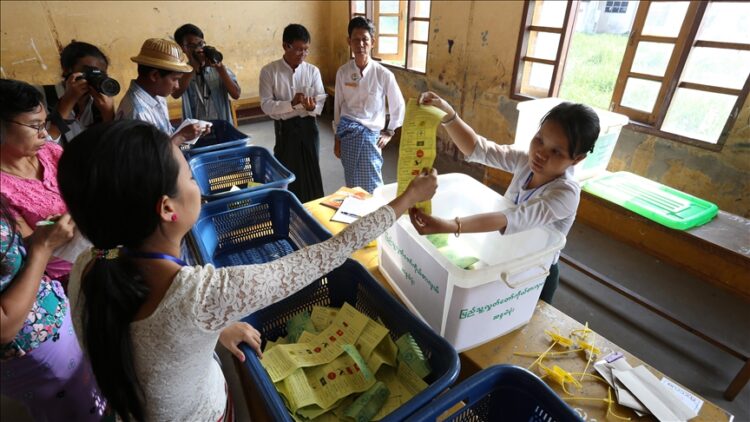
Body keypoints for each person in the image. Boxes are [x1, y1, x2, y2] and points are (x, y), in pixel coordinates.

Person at [57, 119, 437, 421]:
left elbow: (153, 340)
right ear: (167, 208)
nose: (197, 185)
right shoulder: (202, 296)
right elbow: (329, 253)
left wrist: (212, 327)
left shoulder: (91, 263)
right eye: (189, 176)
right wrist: (408, 198)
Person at [410, 92, 600, 304]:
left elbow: (511, 217)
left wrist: (450, 226)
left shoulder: (565, 194)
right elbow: (479, 149)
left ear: (577, 159)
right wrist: (448, 114)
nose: (540, 153)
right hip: (505, 256)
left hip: (535, 273)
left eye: (556, 152)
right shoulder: (525, 161)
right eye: (539, 140)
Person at [0, 197, 107, 421]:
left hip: (56, 325)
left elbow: (7, 260)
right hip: (32, 356)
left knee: (90, 392)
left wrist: (42, 238)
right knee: (77, 410)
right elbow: (4, 326)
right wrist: (42, 248)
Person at [0, 78, 76, 283]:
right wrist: (49, 234)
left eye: (44, 124)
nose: (44, 133)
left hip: (98, 252)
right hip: (61, 277)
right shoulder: (3, 190)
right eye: (35, 126)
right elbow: (26, 248)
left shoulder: (51, 153)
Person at [333, 16, 405, 194]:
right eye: (355, 40)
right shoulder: (343, 72)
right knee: (351, 182)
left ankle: (374, 217)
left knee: (373, 184)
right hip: (348, 133)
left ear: (372, 42)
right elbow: (338, 106)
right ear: (349, 41)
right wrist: (337, 137)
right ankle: (356, 217)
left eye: (364, 39)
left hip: (370, 138)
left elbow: (398, 105)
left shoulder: (383, 74)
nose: (360, 44)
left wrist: (390, 131)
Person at [260, 23, 326, 203]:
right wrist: (292, 104)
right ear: (285, 46)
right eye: (298, 50)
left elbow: (320, 99)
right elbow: (266, 105)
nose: (303, 55)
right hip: (285, 129)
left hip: (308, 127)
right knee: (286, 171)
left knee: (312, 171)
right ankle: (289, 207)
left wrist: (312, 108)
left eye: (306, 50)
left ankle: (313, 210)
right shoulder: (269, 72)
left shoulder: (312, 71)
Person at [116, 38, 205, 145]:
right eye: (175, 79)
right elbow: (149, 158)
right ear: (154, 75)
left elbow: (166, 135)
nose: (177, 86)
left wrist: (190, 132)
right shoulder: (138, 113)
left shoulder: (157, 95)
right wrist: (181, 136)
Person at [36, 41, 116, 146]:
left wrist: (108, 114)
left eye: (101, 74)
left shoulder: (99, 104)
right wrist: (68, 101)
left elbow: (112, 145)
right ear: (67, 70)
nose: (95, 77)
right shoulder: (40, 97)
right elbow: (43, 149)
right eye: (89, 71)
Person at [172, 24, 241, 124]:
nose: (198, 49)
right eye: (192, 46)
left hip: (221, 124)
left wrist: (220, 68)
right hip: (195, 128)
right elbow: (175, 94)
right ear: (182, 48)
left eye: (201, 44)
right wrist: (193, 67)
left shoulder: (218, 67)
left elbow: (236, 94)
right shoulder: (182, 71)